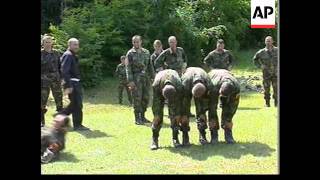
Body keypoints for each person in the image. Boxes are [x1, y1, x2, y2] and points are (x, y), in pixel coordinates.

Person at [60, 38, 90, 131]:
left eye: (77, 44)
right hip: (72, 83)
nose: (77, 46)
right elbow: (64, 71)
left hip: (75, 82)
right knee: (77, 104)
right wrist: (68, 85)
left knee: (74, 104)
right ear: (69, 45)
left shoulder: (72, 55)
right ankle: (77, 125)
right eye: (74, 45)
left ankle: (59, 118)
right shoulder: (68, 55)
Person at [150, 69, 184, 150]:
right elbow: (155, 104)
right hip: (159, 91)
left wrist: (177, 115)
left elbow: (179, 103)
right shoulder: (156, 85)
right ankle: (154, 140)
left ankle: (175, 139)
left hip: (174, 94)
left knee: (175, 116)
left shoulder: (179, 85)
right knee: (157, 117)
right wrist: (156, 114)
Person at [181, 67, 214, 145]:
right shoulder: (186, 81)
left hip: (202, 85)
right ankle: (185, 137)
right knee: (184, 112)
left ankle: (202, 136)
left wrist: (204, 107)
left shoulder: (208, 81)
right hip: (187, 87)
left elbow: (209, 97)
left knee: (201, 112)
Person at [125, 35, 155, 125]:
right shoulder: (130, 53)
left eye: (137, 41)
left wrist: (153, 77)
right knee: (137, 98)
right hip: (135, 78)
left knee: (146, 97)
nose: (135, 43)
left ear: (141, 42)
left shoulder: (146, 52)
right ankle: (137, 118)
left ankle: (143, 116)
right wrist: (130, 81)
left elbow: (150, 65)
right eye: (134, 42)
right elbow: (128, 67)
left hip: (145, 78)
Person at [208, 69, 240, 144]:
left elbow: (233, 106)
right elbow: (211, 108)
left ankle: (228, 134)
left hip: (226, 80)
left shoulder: (236, 87)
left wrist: (228, 117)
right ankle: (214, 135)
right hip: (214, 80)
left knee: (228, 113)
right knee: (212, 110)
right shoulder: (213, 85)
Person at [41, 34, 63, 127]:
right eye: (46, 42)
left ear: (52, 43)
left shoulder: (56, 53)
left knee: (59, 100)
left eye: (50, 42)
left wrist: (62, 78)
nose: (48, 44)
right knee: (42, 101)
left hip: (56, 80)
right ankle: (42, 122)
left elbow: (60, 66)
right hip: (43, 81)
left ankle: (61, 122)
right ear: (43, 43)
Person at [252, 36, 278, 107]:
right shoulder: (261, 52)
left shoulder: (277, 50)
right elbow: (255, 59)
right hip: (266, 74)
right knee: (266, 90)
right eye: (266, 41)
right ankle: (267, 103)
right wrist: (260, 66)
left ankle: (276, 103)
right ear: (265, 42)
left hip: (276, 74)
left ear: (272, 41)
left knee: (276, 89)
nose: (268, 42)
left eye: (269, 41)